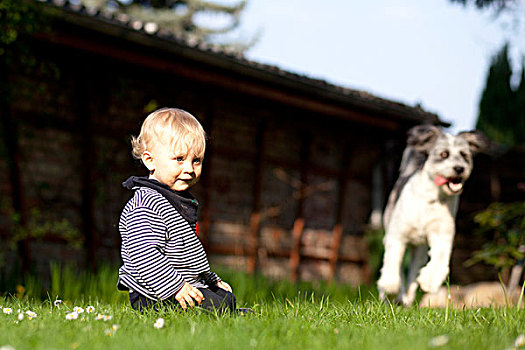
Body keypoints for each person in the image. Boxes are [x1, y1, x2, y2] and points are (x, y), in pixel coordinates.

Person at [117, 107, 236, 313]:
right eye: (179, 159)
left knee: (227, 298)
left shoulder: (176, 201)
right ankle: (225, 313)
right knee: (219, 306)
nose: (189, 169)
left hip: (183, 284)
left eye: (196, 160)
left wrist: (210, 279)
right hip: (153, 293)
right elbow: (143, 254)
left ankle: (229, 311)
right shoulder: (146, 204)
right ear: (149, 160)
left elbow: (189, 254)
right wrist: (176, 287)